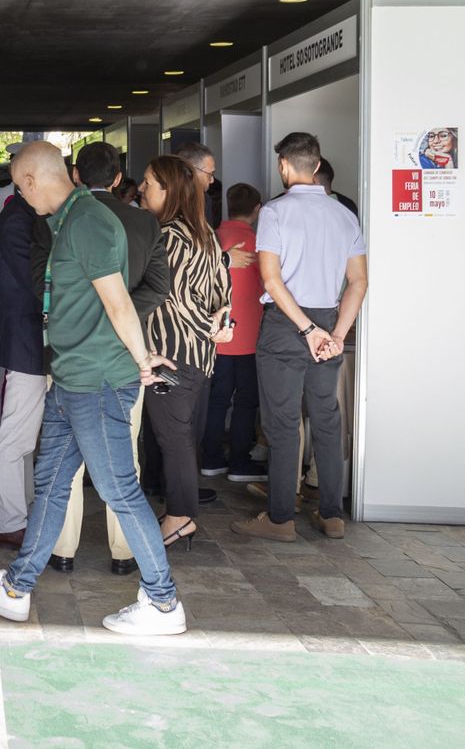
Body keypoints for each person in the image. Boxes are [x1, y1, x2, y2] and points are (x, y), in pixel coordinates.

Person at [0, 142, 187, 636]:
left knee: (120, 491)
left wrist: (144, 359)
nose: (20, 195)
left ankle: (164, 604)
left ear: (34, 181)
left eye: (20, 186)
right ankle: (16, 589)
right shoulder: (68, 218)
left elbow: (119, 301)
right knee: (53, 484)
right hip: (71, 376)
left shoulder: (87, 223)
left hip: (97, 381)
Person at [39, 142, 171, 576]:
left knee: (61, 468)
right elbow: (159, 285)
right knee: (123, 459)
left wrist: (104, 308)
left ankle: (61, 550)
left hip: (72, 353)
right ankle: (123, 554)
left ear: (76, 174)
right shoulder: (143, 222)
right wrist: (123, 311)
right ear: (118, 179)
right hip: (123, 355)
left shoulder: (62, 219)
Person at [233, 132, 368, 542]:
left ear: (284, 166)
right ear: (317, 163)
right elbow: (359, 282)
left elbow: (271, 280)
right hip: (330, 320)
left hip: (285, 326)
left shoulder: (274, 213)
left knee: (283, 421)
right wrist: (335, 334)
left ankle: (279, 519)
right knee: (327, 418)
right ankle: (331, 515)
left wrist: (306, 330)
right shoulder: (344, 214)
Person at [139, 156, 232, 553]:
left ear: (169, 190)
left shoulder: (172, 236)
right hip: (197, 357)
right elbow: (221, 295)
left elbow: (175, 297)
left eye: (148, 183)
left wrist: (209, 325)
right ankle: (179, 514)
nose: (141, 188)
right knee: (178, 437)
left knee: (172, 438)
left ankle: (180, 518)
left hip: (172, 354)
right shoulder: (205, 233)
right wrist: (221, 325)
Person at [0, 185, 45, 549]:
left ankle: (21, 511)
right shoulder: (18, 221)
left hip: (26, 338)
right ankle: (10, 521)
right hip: (25, 338)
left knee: (22, 437)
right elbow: (37, 283)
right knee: (15, 436)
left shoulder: (23, 216)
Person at [202, 183, 265, 482]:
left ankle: (210, 458)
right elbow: (268, 286)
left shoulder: (212, 237)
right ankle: (239, 461)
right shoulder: (255, 240)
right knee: (246, 401)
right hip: (249, 337)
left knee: (217, 399)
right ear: (257, 209)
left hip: (216, 335)